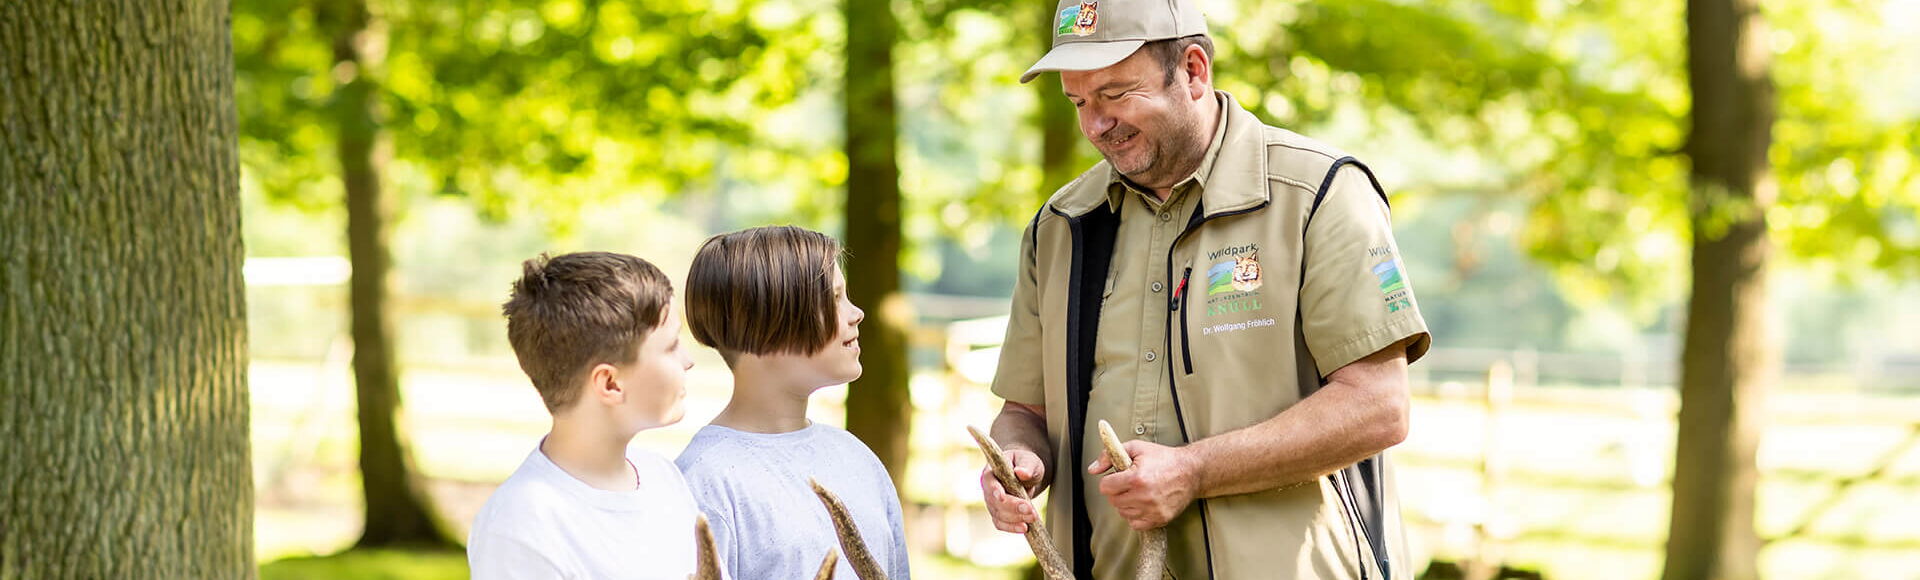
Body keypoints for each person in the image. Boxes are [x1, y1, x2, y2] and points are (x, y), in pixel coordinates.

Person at [980, 0, 1434, 578]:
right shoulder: (1061, 225)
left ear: (1193, 70)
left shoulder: (1319, 193)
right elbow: (1023, 409)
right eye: (1079, 102)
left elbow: (1379, 408)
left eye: (1117, 94)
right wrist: (1018, 462)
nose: (1096, 124)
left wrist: (1193, 470)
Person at [674, 226, 912, 580]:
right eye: (834, 298)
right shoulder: (706, 482)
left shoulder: (857, 458)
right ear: (767, 318)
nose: (856, 312)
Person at [469, 251, 701, 579]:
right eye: (671, 345)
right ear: (610, 383)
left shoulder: (663, 478)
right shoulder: (521, 527)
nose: (687, 359)